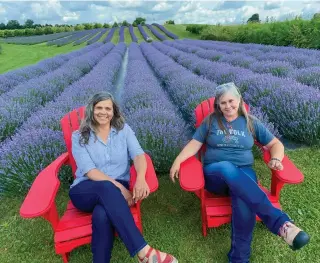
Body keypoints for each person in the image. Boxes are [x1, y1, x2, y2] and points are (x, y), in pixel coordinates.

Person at [170, 82, 310, 263]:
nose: (228, 106)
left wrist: (275, 158)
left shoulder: (251, 122)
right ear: (218, 105)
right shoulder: (210, 121)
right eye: (223, 103)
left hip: (243, 174)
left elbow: (275, 144)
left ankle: (239, 259)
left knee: (244, 201)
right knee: (227, 167)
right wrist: (178, 161)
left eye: (231, 101)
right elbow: (194, 144)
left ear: (239, 100)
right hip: (216, 173)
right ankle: (280, 223)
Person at [69, 92, 178, 263]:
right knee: (106, 187)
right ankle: (144, 252)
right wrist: (120, 189)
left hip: (112, 192)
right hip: (85, 189)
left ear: (114, 112)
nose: (103, 112)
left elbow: (139, 155)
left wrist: (141, 178)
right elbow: (90, 171)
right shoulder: (79, 136)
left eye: (108, 108)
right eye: (99, 108)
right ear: (91, 109)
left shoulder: (123, 131)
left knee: (102, 214)